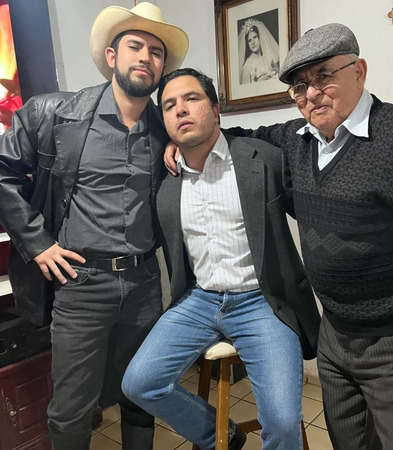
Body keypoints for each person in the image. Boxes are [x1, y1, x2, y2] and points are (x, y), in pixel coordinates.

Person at [165, 23, 393, 450]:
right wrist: (183, 144)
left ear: (359, 71)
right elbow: (239, 139)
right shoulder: (296, 141)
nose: (311, 93)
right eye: (300, 86)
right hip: (333, 336)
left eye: (324, 76)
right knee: (348, 442)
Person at [0, 3, 188, 450]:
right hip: (80, 283)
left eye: (156, 52)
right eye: (135, 46)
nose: (145, 57)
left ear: (162, 68)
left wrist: (179, 146)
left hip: (144, 283)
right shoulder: (53, 113)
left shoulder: (165, 127)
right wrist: (37, 242)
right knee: (71, 408)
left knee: (141, 394)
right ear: (111, 55)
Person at [122, 68, 320, 450]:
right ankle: (221, 435)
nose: (180, 109)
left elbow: (313, 206)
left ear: (215, 109)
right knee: (139, 383)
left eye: (191, 99)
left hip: (262, 302)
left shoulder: (262, 159)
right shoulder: (164, 180)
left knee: (282, 423)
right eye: (169, 105)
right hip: (199, 300)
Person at [239, 18, 279, 84]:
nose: (253, 42)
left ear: (260, 37)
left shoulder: (269, 56)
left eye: (255, 37)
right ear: (247, 44)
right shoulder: (247, 66)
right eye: (249, 40)